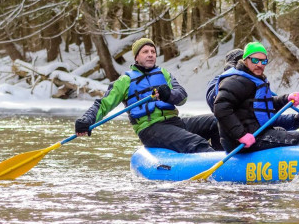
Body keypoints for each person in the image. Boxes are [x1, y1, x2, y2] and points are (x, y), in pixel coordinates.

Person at [75, 37, 220, 154]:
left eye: (153, 51)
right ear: (136, 57)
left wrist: (168, 95)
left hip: (175, 123)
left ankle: (226, 155)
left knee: (217, 121)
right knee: (195, 142)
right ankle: (221, 168)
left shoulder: (164, 74)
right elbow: (103, 104)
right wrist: (86, 120)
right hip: (151, 129)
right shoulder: (125, 81)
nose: (150, 54)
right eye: (145, 51)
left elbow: (182, 97)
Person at [213, 41, 299, 152]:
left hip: (258, 133)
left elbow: (262, 104)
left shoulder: (252, 79)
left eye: (263, 61)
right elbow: (220, 108)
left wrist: (286, 98)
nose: (260, 65)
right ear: (245, 60)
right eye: (255, 60)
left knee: (285, 132)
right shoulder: (235, 81)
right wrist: (241, 135)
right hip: (240, 142)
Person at [206, 48, 299, 131]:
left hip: (255, 131)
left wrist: (295, 119)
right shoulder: (222, 81)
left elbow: (262, 115)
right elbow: (215, 103)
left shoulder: (256, 84)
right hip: (235, 135)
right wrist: (231, 79)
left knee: (280, 131)